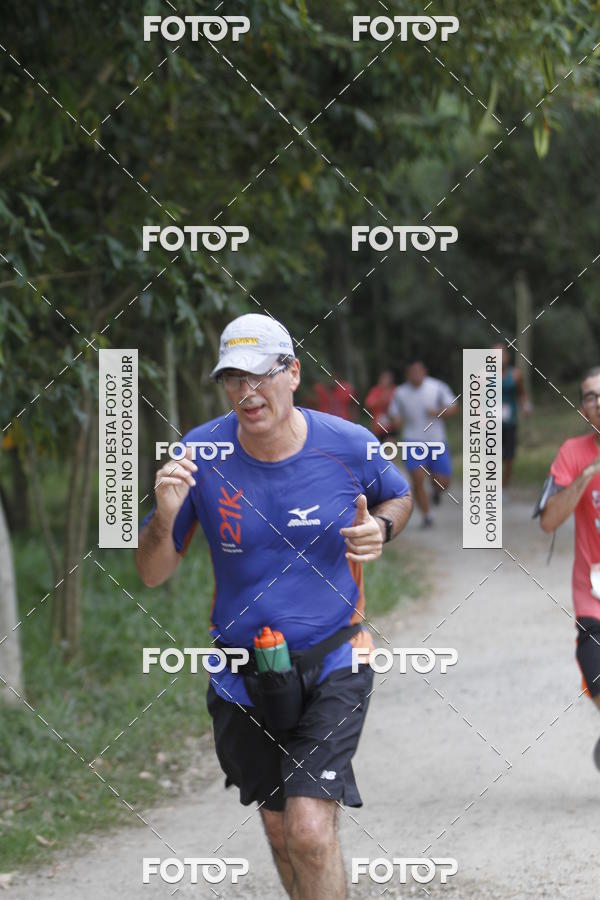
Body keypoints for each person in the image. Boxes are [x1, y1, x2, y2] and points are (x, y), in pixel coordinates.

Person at [135, 313, 413, 899]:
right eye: (233, 379)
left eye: (260, 375)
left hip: (336, 655)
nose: (246, 392)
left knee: (311, 829)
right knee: (283, 828)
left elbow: (400, 495)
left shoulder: (349, 444)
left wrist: (382, 530)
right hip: (244, 673)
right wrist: (163, 517)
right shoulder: (199, 453)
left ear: (292, 373)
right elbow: (153, 573)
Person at [537, 366, 600, 770]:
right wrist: (585, 478)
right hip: (594, 599)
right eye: (591, 396)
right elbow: (548, 521)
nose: (599, 402)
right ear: (583, 408)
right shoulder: (573, 453)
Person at [387, 360, 458, 527]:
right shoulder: (400, 392)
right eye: (412, 372)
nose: (416, 375)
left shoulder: (437, 387)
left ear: (424, 372)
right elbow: (393, 413)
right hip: (412, 441)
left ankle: (436, 491)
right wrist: (396, 421)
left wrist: (439, 411)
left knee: (443, 482)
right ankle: (427, 516)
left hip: (436, 440)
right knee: (417, 479)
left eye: (418, 371)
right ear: (407, 374)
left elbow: (454, 407)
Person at [493, 343, 531, 487]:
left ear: (507, 357)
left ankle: (503, 488)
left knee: (509, 457)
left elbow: (522, 394)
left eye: (501, 354)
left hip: (509, 422)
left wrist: (525, 406)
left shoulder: (515, 374)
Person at [365, 370, 396, 440]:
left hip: (391, 427)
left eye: (388, 378)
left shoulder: (395, 391)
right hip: (377, 427)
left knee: (390, 447)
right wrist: (380, 401)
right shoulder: (375, 391)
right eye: (384, 378)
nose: (386, 380)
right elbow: (369, 404)